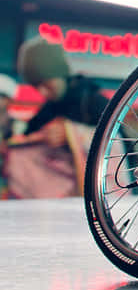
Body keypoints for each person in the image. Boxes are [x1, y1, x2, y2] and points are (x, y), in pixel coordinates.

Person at [3, 37, 107, 198]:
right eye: (36, 86)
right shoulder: (47, 109)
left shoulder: (94, 103)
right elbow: (26, 139)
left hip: (94, 197)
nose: (42, 92)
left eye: (47, 84)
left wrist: (71, 134)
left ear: (60, 73)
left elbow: (119, 144)